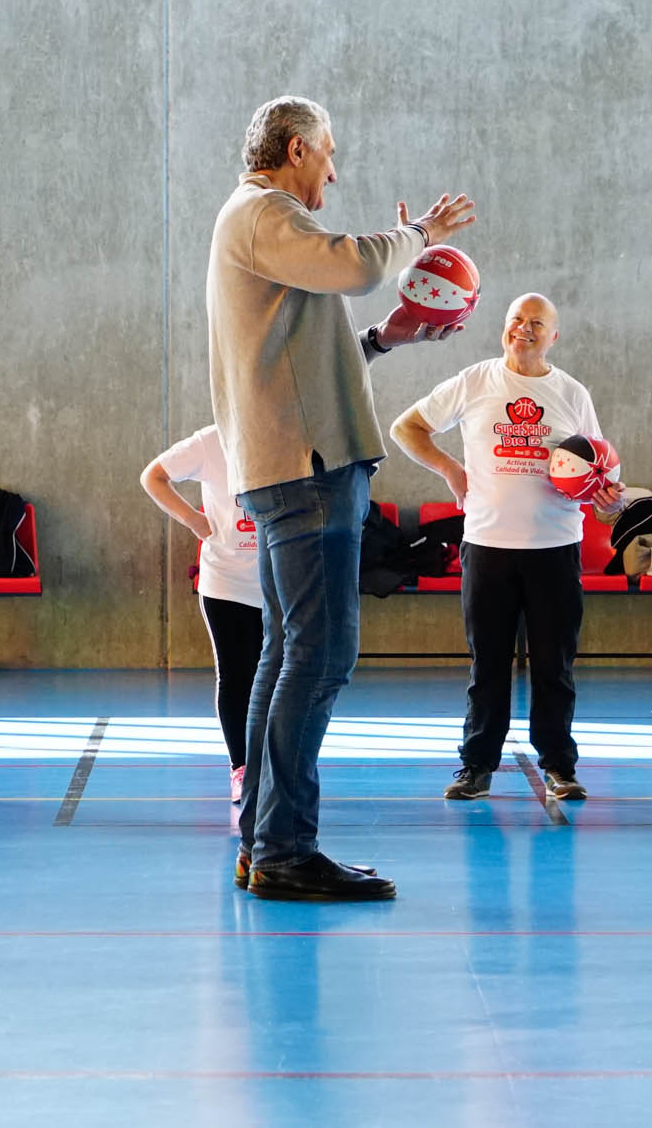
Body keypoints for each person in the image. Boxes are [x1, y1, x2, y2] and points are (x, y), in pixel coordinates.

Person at [209, 94, 475, 901]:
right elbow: (358, 261)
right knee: (319, 654)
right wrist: (419, 236)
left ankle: (265, 840)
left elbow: (304, 353)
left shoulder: (262, 228)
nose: (336, 166)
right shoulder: (262, 211)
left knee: (287, 654)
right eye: (329, 152)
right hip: (306, 470)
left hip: (296, 461)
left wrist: (386, 336)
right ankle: (285, 848)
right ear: (295, 149)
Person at [391, 292, 625, 802]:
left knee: (554, 667)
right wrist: (451, 469)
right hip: (488, 545)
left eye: (537, 322)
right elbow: (405, 427)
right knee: (487, 665)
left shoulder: (571, 392)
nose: (525, 328)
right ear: (504, 327)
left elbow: (602, 473)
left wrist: (606, 496)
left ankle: (559, 766)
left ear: (554, 335)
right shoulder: (475, 381)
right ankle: (476, 765)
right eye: (517, 319)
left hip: (555, 548)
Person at [141, 424, 262, 803]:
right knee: (236, 674)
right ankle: (241, 766)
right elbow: (154, 476)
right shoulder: (210, 441)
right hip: (226, 582)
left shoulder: (289, 431)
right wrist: (193, 519)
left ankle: (278, 767)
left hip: (282, 582)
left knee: (280, 679)